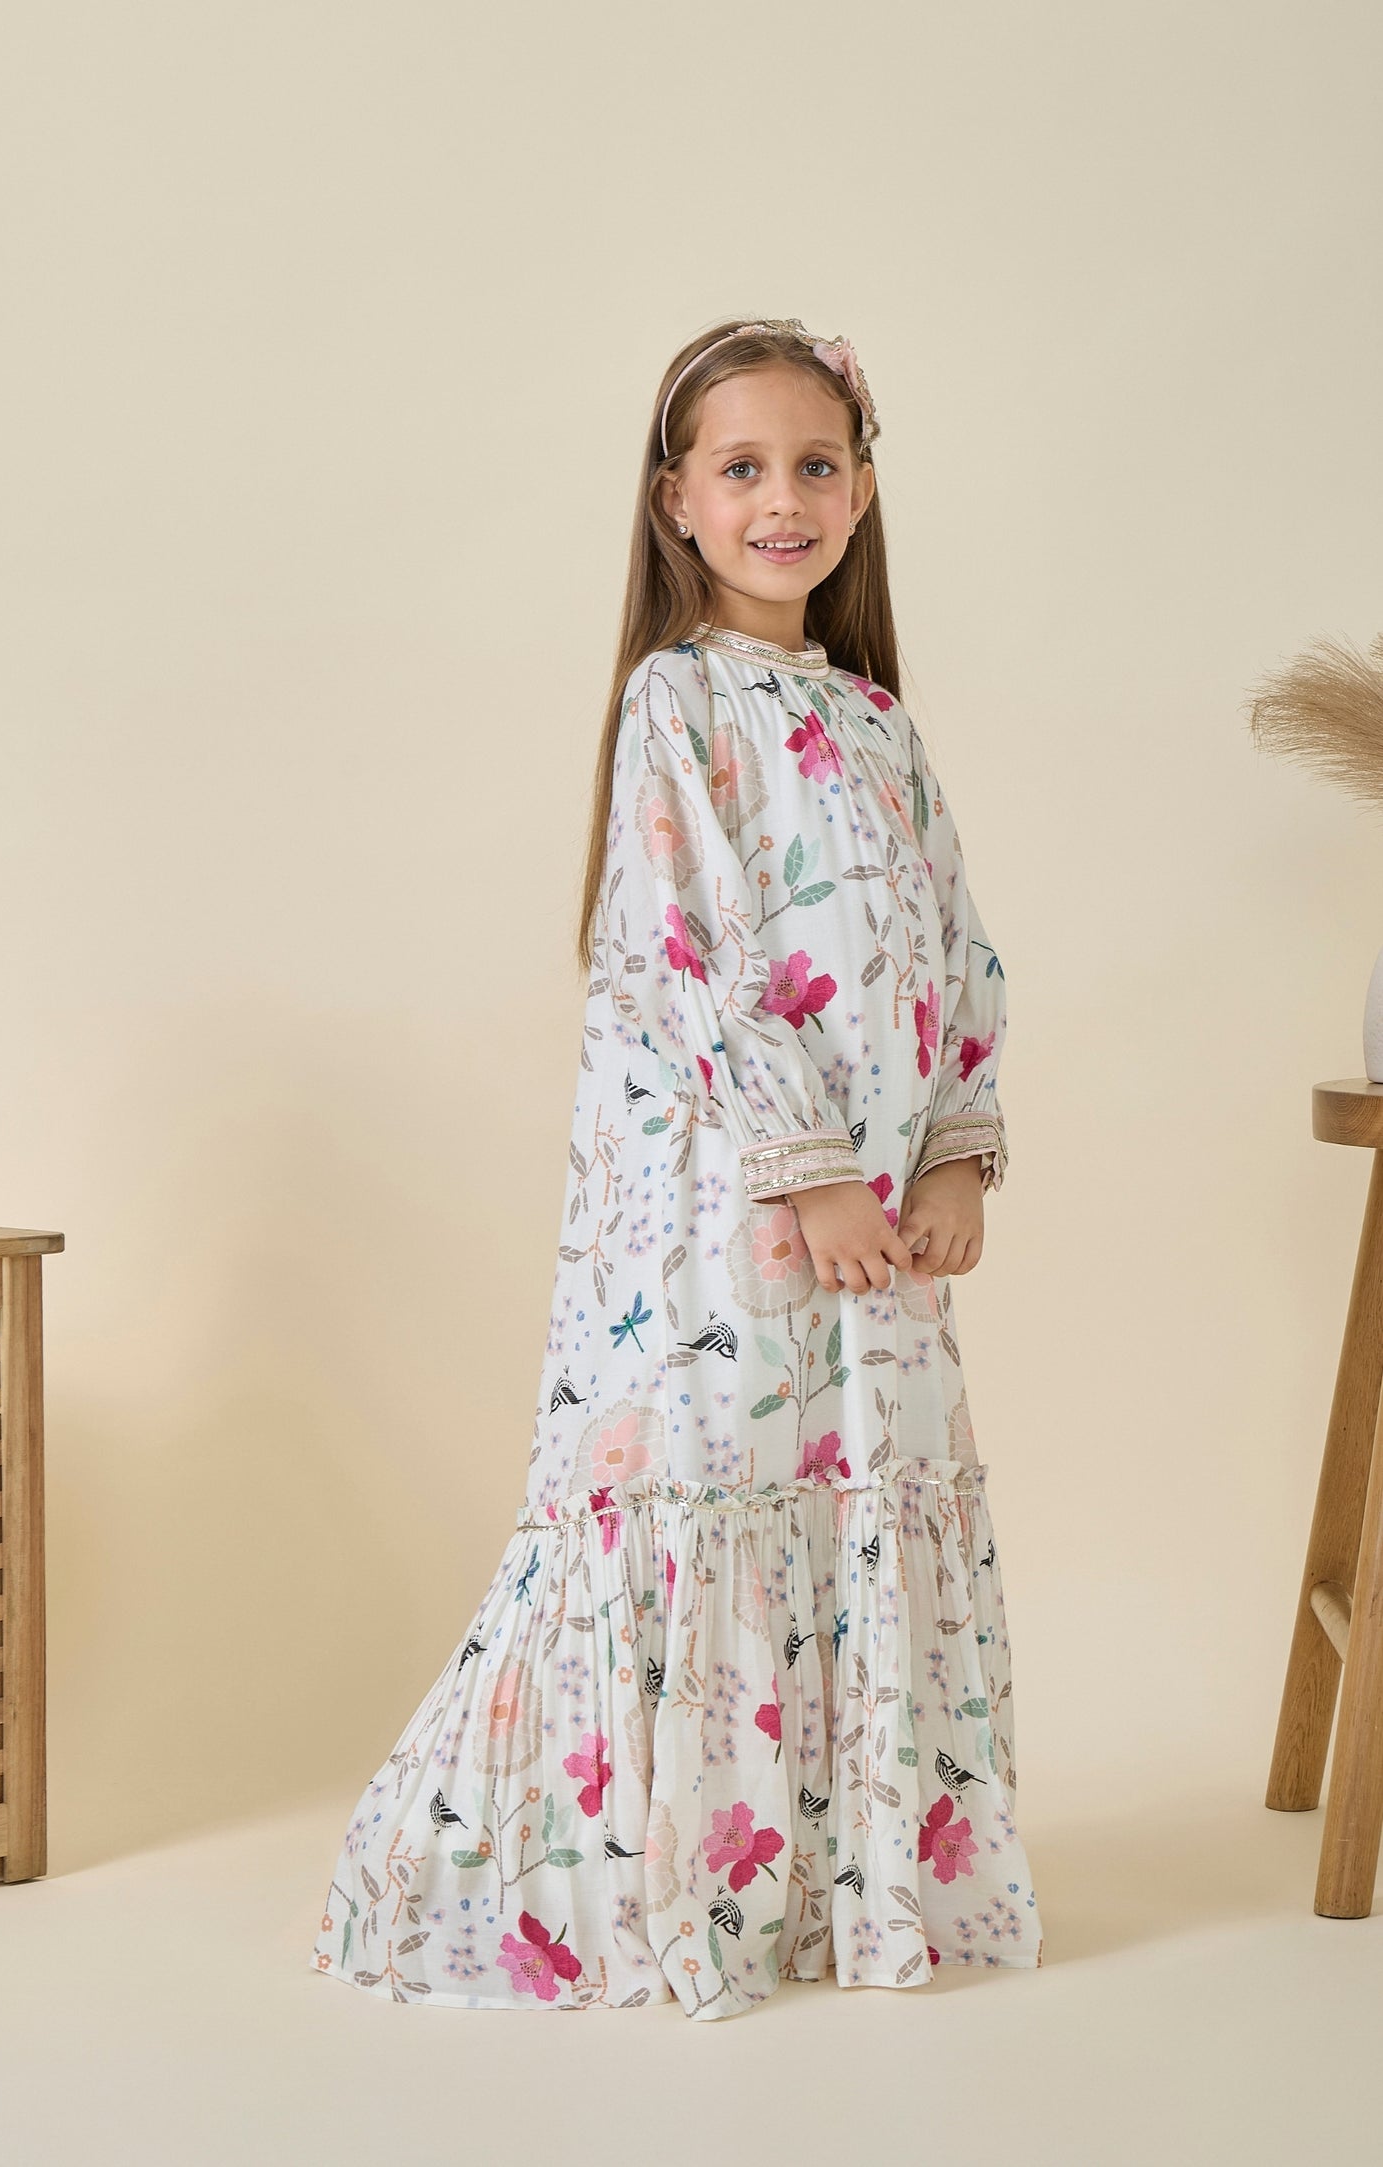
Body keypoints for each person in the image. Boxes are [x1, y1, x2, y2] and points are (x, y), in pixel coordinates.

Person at [309, 316, 1044, 2019]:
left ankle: (836, 1884)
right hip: (729, 1211)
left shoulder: (878, 723)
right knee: (712, 1473)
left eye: (814, 465)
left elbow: (958, 952)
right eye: (742, 468)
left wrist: (953, 1154)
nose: (782, 500)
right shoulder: (679, 699)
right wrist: (809, 1172)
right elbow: (682, 956)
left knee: (847, 1484)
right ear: (676, 502)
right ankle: (654, 1874)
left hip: (877, 1220)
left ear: (861, 491)